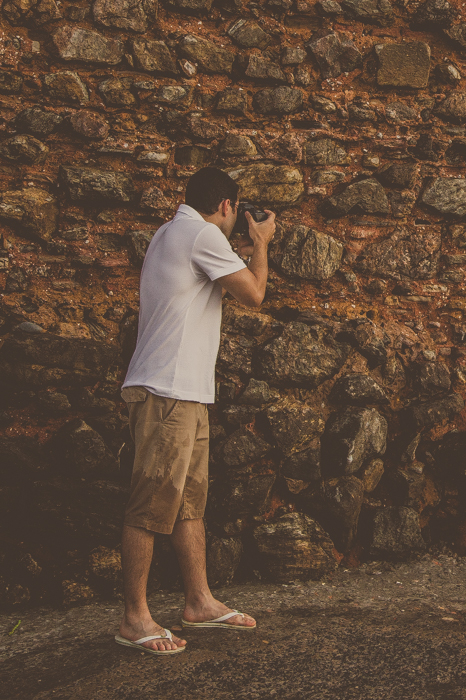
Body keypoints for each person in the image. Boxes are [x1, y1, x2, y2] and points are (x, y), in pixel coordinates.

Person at [115, 167, 275, 654]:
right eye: (236, 214)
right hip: (169, 392)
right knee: (151, 504)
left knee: (187, 504)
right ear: (227, 206)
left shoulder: (172, 231)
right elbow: (254, 293)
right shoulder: (202, 233)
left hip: (181, 390)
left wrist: (240, 248)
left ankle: (198, 601)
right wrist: (262, 241)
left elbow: (219, 273)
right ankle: (134, 620)